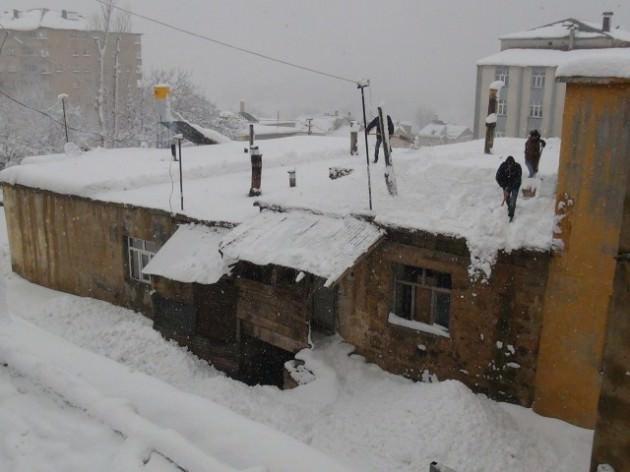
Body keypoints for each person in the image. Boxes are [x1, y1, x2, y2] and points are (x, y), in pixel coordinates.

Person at [496, 155, 522, 222]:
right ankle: (510, 207)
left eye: (511, 165)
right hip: (506, 185)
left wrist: (510, 187)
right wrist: (504, 186)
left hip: (515, 185)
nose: (510, 166)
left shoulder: (517, 167)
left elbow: (518, 179)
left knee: (513, 199)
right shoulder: (503, 166)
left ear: (514, 163)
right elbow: (498, 177)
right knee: (507, 198)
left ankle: (511, 214)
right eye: (508, 165)